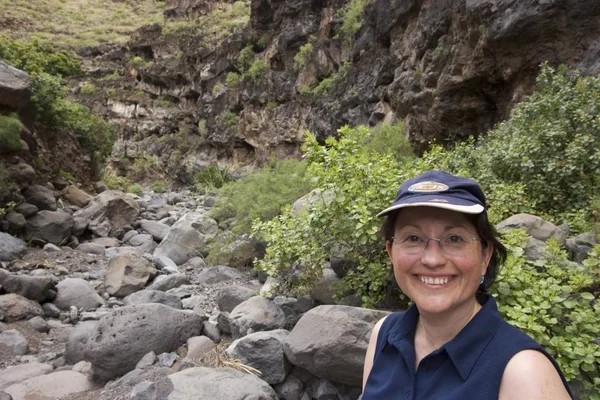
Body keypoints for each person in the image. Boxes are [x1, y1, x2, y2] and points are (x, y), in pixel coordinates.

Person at [361, 170, 574, 400]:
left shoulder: (523, 373)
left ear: (485, 256)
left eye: (455, 239)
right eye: (413, 238)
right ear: (391, 253)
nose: (433, 260)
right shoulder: (384, 335)